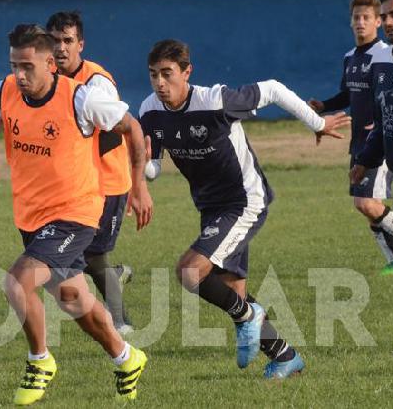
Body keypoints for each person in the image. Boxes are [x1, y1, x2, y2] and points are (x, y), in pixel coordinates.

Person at [0, 24, 152, 404]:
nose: (20, 75)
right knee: (74, 298)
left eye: (27, 66)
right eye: (14, 66)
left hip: (76, 212)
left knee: (16, 283)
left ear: (50, 63)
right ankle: (126, 357)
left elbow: (132, 127)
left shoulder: (82, 99)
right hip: (31, 216)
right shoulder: (1, 92)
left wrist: (138, 185)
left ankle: (40, 360)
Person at [137, 39, 350, 379]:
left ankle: (249, 317)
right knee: (233, 293)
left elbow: (274, 89)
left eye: (167, 74)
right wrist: (141, 163)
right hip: (210, 206)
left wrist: (317, 123)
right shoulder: (150, 111)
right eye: (153, 75)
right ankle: (285, 357)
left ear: (187, 72)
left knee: (191, 272)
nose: (160, 83)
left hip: (244, 200)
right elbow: (154, 167)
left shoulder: (215, 100)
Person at [46, 11, 146, 335]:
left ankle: (121, 323)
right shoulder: (47, 78)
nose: (60, 48)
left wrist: (139, 184)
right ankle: (113, 281)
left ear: (80, 44)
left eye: (67, 41)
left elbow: (120, 131)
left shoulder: (96, 83)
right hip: (73, 185)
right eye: (54, 41)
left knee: (91, 253)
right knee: (75, 254)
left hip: (107, 183)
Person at [309, 0, 393, 277]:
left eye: (366, 18)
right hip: (358, 143)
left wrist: (383, 121)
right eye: (356, 18)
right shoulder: (350, 58)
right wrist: (323, 106)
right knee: (363, 205)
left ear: (378, 21)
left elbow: (392, 94)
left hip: (381, 142)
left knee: (367, 203)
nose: (360, 23)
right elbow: (349, 94)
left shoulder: (385, 55)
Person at [350, 0, 393, 356]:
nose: (389, 21)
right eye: (386, 15)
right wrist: (364, 160)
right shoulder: (380, 61)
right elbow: (383, 121)